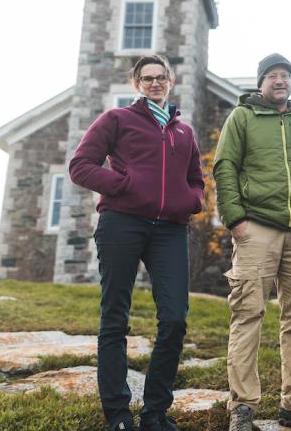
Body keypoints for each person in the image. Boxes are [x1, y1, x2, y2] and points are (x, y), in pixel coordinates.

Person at [69, 55, 205, 431]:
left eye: (161, 77)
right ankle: (118, 414)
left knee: (175, 319)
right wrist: (124, 186)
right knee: (115, 318)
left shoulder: (184, 132)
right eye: (148, 78)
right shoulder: (117, 120)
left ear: (171, 81)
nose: (155, 83)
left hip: (170, 230)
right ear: (137, 84)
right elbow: (81, 165)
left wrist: (192, 200)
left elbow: (197, 179)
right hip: (122, 223)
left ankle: (155, 413)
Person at [214, 53, 291, 431]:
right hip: (257, 227)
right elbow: (225, 166)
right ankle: (243, 407)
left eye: (286, 76)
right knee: (248, 313)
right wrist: (235, 219)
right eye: (272, 76)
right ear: (261, 82)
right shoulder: (242, 117)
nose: (280, 81)